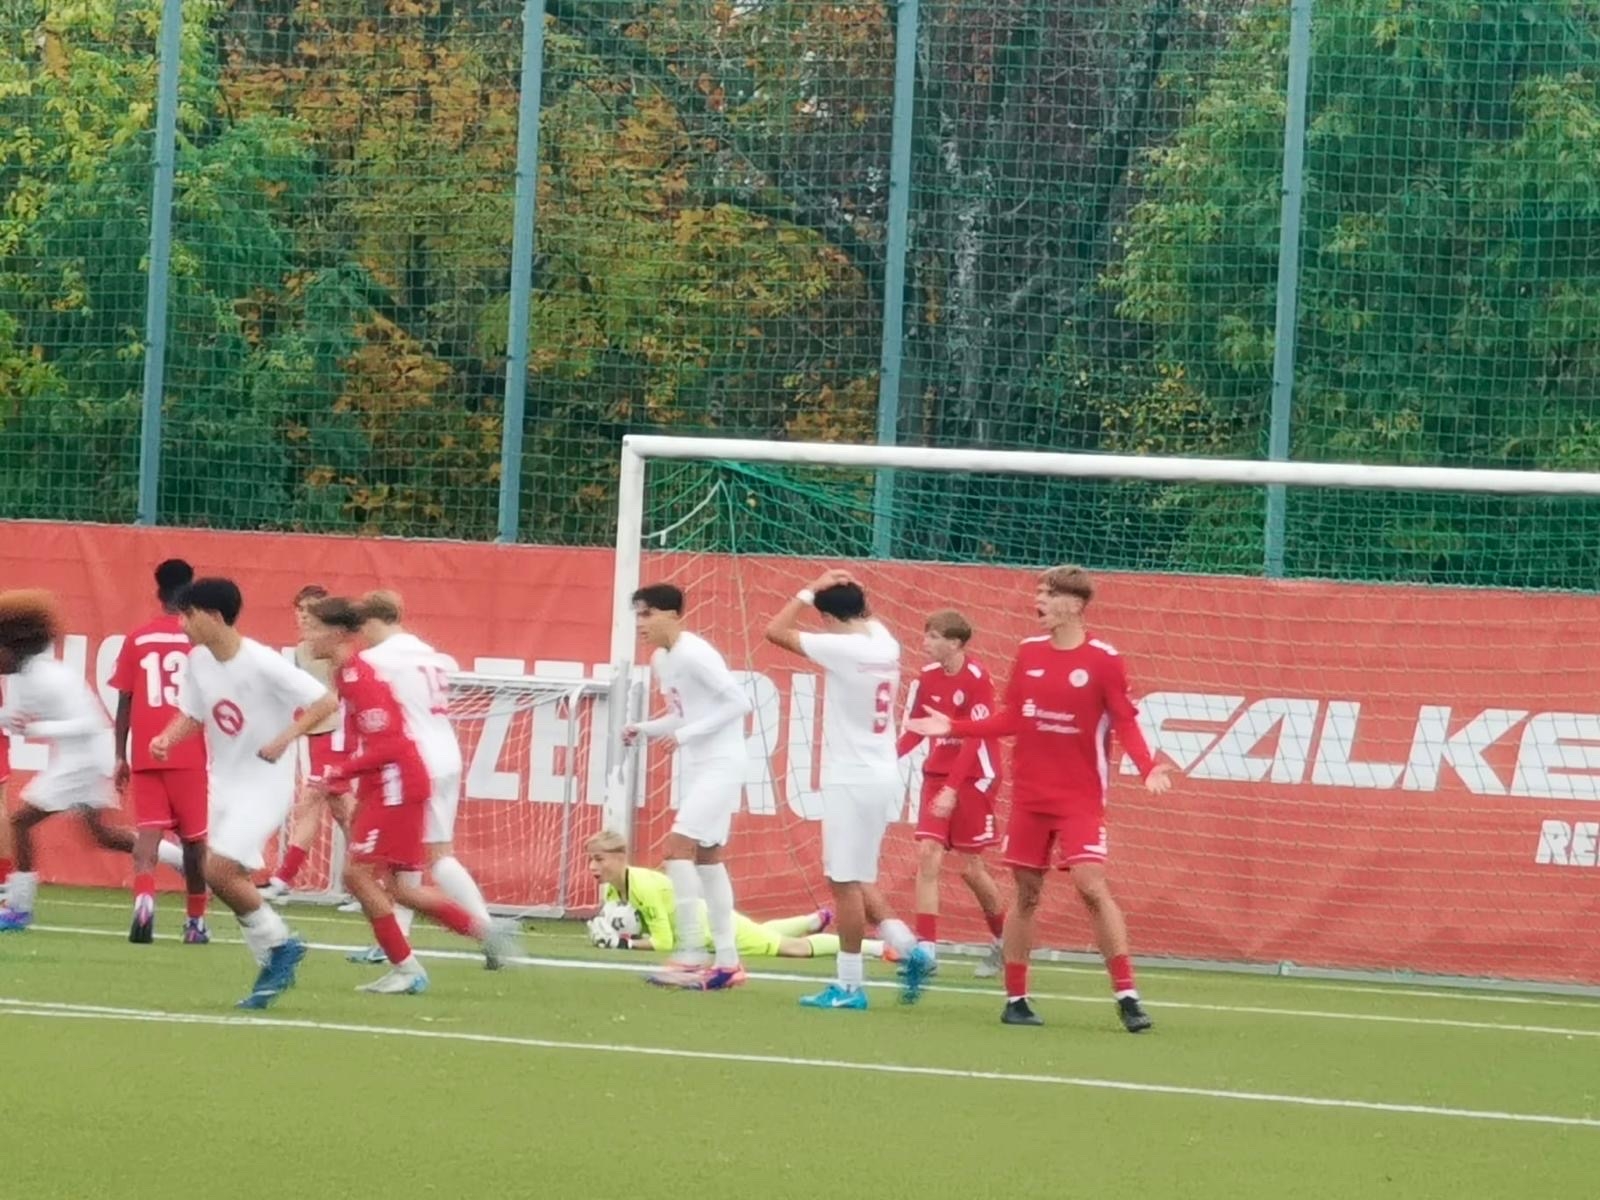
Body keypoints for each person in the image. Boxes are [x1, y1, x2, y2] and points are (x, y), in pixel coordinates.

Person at [907, 565, 1173, 1033]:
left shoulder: (1104, 659)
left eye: (1048, 594)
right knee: (1026, 894)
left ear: (1075, 603)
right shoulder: (1029, 652)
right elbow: (1012, 718)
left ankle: (1128, 996)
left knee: (1090, 885)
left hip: (1079, 799)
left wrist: (1148, 766)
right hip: (1030, 798)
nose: (1039, 601)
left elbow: (1125, 720)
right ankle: (1016, 999)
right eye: (1039, 593)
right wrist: (955, 727)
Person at [298, 597, 516, 995]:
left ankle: (406, 964)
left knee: (358, 875)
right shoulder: (356, 671)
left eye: (313, 627)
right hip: (406, 773)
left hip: (399, 779)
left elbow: (390, 743)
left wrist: (340, 772)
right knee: (402, 886)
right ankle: (482, 932)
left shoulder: (362, 673)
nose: (305, 636)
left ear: (340, 632)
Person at [764, 570, 932, 1010]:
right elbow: (865, 614)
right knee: (855, 876)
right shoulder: (884, 642)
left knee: (843, 883)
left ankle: (850, 986)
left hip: (852, 776)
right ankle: (908, 947)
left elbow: (775, 631)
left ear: (827, 618)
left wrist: (809, 588)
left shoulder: (843, 648)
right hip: (880, 771)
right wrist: (844, 589)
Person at [150, 578, 321, 1008]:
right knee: (222, 874)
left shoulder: (262, 663)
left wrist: (285, 738)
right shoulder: (198, 661)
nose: (182, 624)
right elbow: (194, 713)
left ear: (214, 616)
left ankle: (281, 946)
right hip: (223, 782)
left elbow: (325, 701)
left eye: (188, 615)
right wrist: (168, 738)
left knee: (220, 869)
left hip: (265, 784)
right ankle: (272, 963)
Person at [0, 589, 185, 931]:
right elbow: (11, 718)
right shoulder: (18, 678)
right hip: (76, 758)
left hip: (85, 757)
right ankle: (181, 858)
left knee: (21, 821)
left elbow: (90, 723)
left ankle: (19, 907)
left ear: (15, 646)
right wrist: (16, 722)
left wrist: (38, 727)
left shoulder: (52, 676)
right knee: (101, 836)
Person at [623, 583, 752, 990]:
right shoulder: (662, 659)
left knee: (677, 848)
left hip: (722, 762)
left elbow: (739, 703)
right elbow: (681, 715)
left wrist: (686, 735)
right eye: (638, 615)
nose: (641, 623)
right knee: (708, 858)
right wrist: (644, 728)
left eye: (648, 614)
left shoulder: (695, 654)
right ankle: (728, 963)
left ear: (674, 615)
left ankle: (692, 951)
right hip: (699, 764)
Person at [897, 609, 1008, 977]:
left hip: (975, 776)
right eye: (926, 635)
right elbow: (916, 730)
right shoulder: (926, 677)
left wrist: (952, 788)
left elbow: (975, 738)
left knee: (971, 869)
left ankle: (1004, 939)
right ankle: (926, 951)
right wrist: (885, 759)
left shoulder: (977, 678)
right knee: (927, 854)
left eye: (933, 637)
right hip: (937, 774)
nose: (924, 643)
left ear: (955, 643)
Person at [111, 557, 211, 944]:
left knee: (148, 834)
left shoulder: (137, 639)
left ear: (158, 592)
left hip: (147, 752)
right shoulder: (198, 639)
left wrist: (120, 755)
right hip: (187, 750)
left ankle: (144, 899)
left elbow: (124, 700)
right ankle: (195, 922)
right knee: (194, 841)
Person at [583, 830, 860, 959]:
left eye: (599, 859)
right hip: (706, 930)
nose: (593, 867)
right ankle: (810, 921)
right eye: (590, 860)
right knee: (760, 932)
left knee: (791, 948)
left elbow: (664, 942)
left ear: (620, 858)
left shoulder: (642, 886)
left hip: (710, 929)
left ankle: (874, 948)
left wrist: (623, 944)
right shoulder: (614, 889)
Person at [258, 585, 349, 902]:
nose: (305, 616)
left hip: (338, 731)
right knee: (342, 810)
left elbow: (338, 696)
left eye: (311, 609)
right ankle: (371, 878)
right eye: (300, 609)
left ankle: (283, 879)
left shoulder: (336, 649)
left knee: (310, 799)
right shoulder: (301, 651)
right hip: (318, 732)